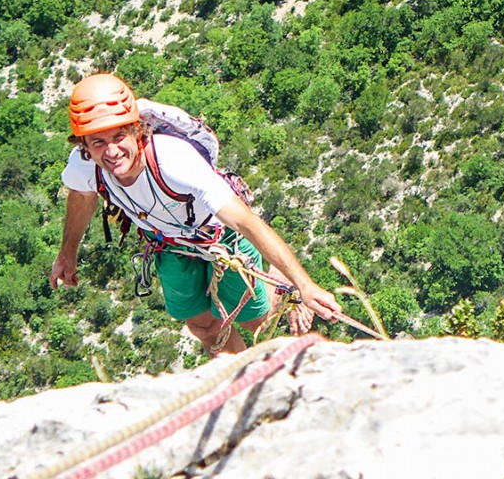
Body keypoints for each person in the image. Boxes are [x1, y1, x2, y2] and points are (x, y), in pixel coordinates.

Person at [50, 73, 341, 355]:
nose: (111, 151)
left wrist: (305, 286)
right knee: (202, 327)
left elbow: (245, 221)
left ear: (137, 130)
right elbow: (81, 196)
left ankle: (280, 288)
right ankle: (236, 379)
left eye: (118, 136)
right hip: (169, 243)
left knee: (256, 322)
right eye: (98, 142)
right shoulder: (85, 165)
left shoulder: (173, 161)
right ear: (84, 146)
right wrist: (67, 254)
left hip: (219, 235)